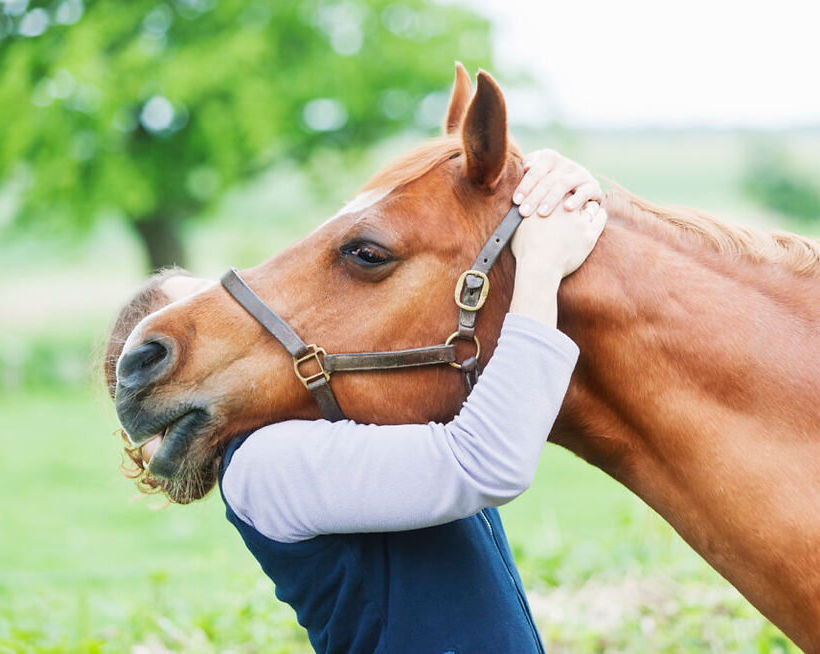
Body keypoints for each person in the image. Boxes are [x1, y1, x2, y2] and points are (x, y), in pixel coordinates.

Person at [104, 149, 607, 653]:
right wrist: (541, 265)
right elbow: (482, 463)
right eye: (198, 315)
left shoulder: (337, 421)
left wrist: (546, 189)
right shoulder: (262, 468)